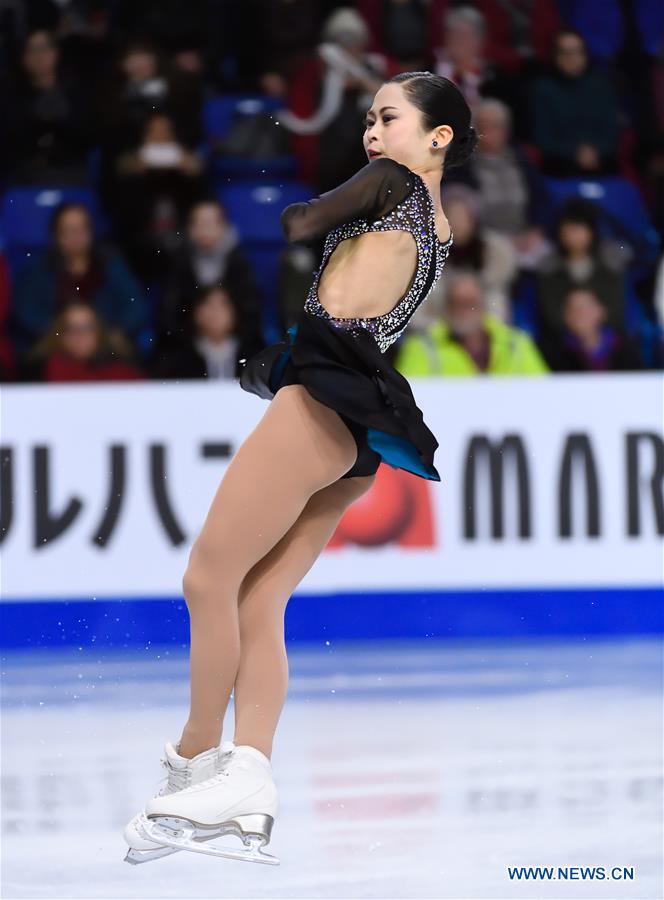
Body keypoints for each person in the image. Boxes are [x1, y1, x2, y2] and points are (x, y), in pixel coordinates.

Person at [123, 70, 477, 866]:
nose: (373, 132)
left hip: (318, 407)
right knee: (260, 593)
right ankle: (249, 783)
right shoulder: (439, 223)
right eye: (369, 119)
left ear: (438, 136)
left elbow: (300, 221)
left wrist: (301, 211)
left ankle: (191, 763)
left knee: (209, 582)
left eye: (389, 117)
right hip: (356, 428)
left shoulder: (391, 183)